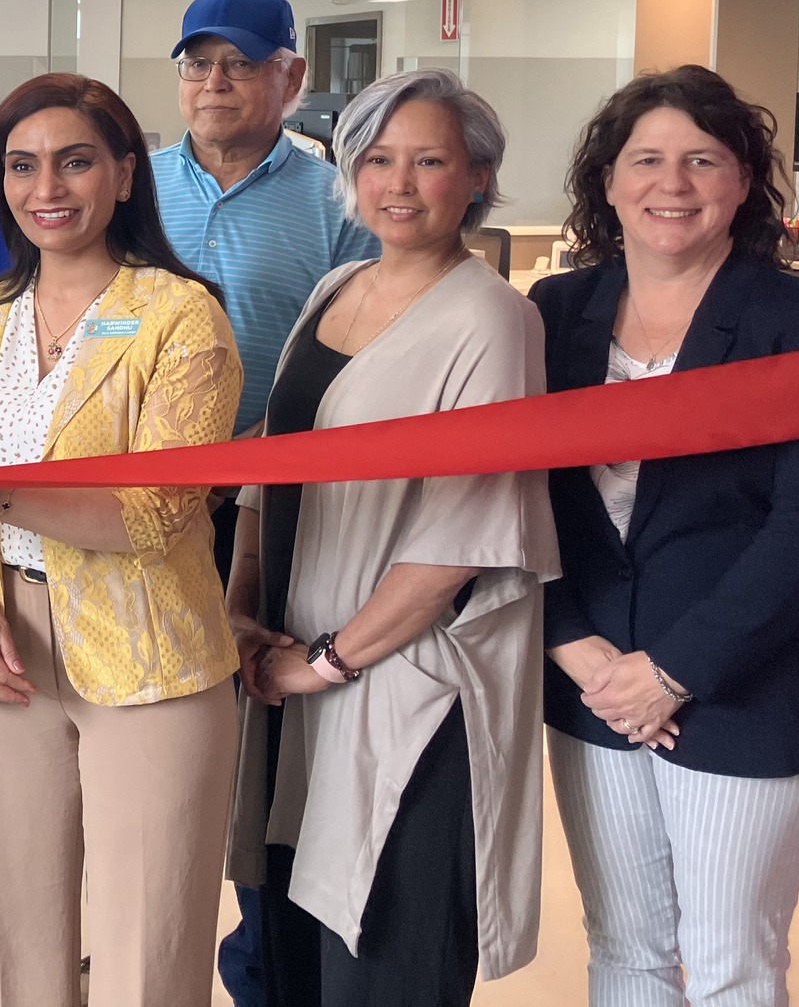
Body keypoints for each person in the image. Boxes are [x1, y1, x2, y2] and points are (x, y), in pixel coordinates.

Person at [224, 69, 558, 1007]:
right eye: (377, 159)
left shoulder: (494, 319)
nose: (399, 184)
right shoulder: (338, 284)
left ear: (478, 178)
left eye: (430, 161)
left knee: (384, 951)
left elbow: (468, 533)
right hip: (287, 663)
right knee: (288, 938)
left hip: (404, 685)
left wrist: (325, 662)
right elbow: (271, 462)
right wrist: (242, 609)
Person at [0, 72, 243, 1007]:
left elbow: (154, 511)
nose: (46, 188)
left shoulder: (183, 317)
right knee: (10, 940)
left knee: (149, 946)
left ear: (126, 176)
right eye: (22, 166)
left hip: (149, 651)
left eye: (75, 162)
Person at [531, 66, 799, 1007]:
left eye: (702, 160)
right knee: (624, 948)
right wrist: (569, 640)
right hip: (593, 680)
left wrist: (676, 668)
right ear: (607, 181)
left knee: (732, 962)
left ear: (743, 181)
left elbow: (797, 527)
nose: (671, 184)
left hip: (742, 685)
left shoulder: (787, 320)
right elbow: (517, 497)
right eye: (646, 159)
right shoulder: (554, 316)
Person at [154, 0, 378, 1006]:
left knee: (252, 741)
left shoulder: (334, 201)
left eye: (237, 62)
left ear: (287, 77)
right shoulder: (131, 184)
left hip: (264, 512)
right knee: (147, 728)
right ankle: (140, 931)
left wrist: (245, 456)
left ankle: (255, 957)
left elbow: (363, 354)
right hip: (132, 512)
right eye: (197, 62)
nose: (213, 81)